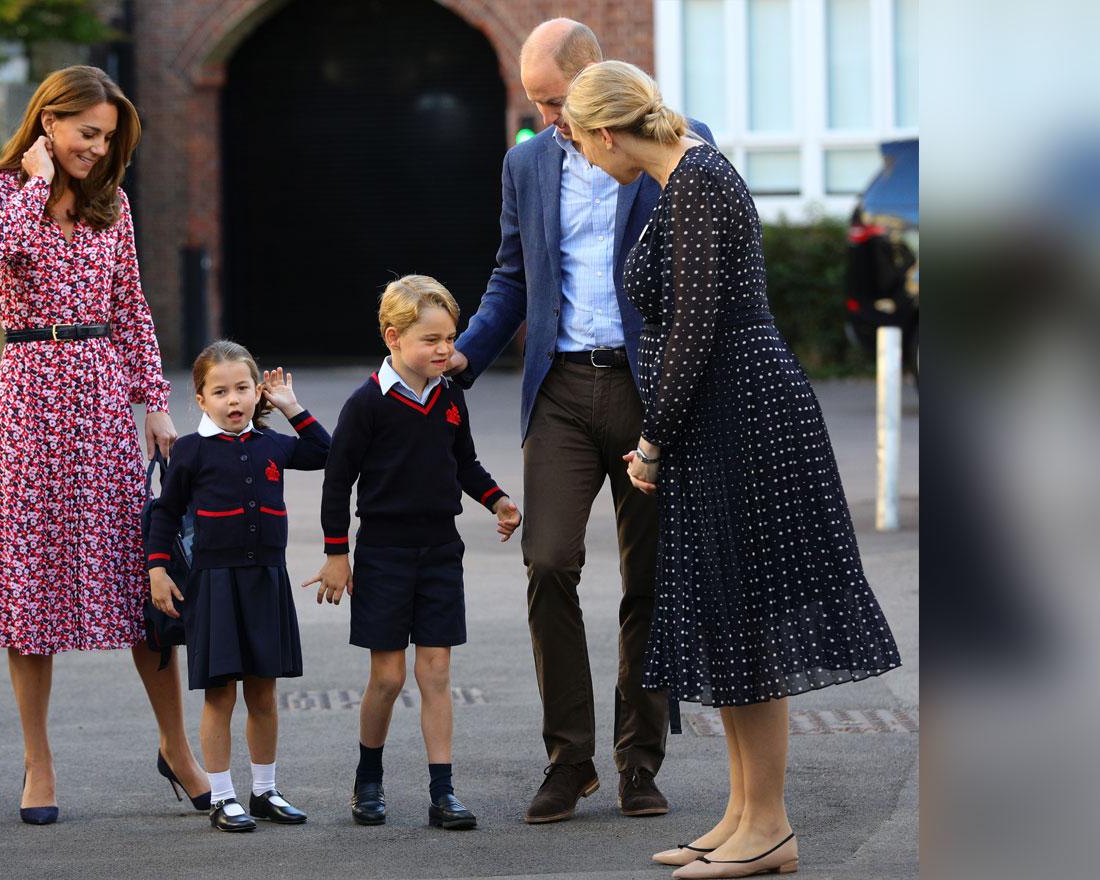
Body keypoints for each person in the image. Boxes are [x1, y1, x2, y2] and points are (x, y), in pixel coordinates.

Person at [561, 60, 902, 877]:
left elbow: (691, 330)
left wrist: (649, 444)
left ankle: (771, 828)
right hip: (724, 416)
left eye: (577, 140)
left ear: (607, 131)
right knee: (729, 616)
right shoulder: (685, 178)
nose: (579, 156)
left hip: (744, 415)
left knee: (747, 615)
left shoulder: (699, 179)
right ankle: (746, 815)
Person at [446, 18, 714, 824]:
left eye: (557, 100)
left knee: (651, 580)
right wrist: (462, 354)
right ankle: (570, 759)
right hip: (559, 388)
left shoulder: (679, 144)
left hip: (647, 390)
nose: (548, 117)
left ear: (597, 76)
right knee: (550, 562)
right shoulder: (526, 160)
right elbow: (510, 273)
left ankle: (640, 759)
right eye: (535, 103)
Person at [0, 65, 210, 825]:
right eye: (86, 133)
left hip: (103, 400)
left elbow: (130, 308)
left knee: (146, 586)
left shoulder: (115, 205)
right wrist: (36, 183)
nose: (98, 150)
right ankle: (39, 766)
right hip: (31, 397)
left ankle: (178, 748)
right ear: (48, 122)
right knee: (29, 593)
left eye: (108, 139)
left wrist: (157, 408)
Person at [306, 276, 522, 831]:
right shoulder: (366, 404)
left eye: (449, 337)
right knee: (387, 678)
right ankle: (369, 779)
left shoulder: (451, 397)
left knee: (436, 671)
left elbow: (464, 462)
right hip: (383, 552)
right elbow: (337, 480)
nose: (445, 349)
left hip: (441, 552)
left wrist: (496, 499)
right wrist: (337, 554)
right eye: (432, 339)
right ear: (394, 337)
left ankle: (443, 791)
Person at [145, 341, 331, 832]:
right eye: (220, 391)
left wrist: (292, 407)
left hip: (267, 580)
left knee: (264, 694)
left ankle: (265, 790)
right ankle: (222, 796)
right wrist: (157, 569)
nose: (234, 400)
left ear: (257, 393)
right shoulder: (190, 450)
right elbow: (164, 513)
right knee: (219, 695)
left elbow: (326, 452)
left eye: (243, 389)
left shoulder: (273, 444)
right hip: (214, 586)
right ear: (201, 399)